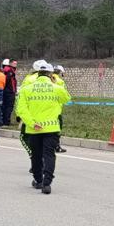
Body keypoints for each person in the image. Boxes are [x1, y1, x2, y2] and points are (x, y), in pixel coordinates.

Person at [16, 62, 71, 194]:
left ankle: (38, 181)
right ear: (50, 74)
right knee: (49, 155)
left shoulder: (26, 89)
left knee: (36, 155)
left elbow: (21, 110)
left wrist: (31, 123)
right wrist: (56, 83)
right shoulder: (56, 88)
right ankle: (47, 184)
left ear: (37, 74)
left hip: (33, 129)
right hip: (51, 128)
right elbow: (67, 99)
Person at [52, 65, 68, 153]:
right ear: (60, 72)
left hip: (46, 108)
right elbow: (64, 96)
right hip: (56, 109)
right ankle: (56, 146)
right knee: (57, 128)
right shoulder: (60, 82)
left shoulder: (49, 79)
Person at [1, 59, 18, 126]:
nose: (15, 65)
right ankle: (6, 121)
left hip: (4, 91)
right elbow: (8, 81)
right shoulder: (10, 72)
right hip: (10, 92)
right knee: (9, 107)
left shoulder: (4, 71)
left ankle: (3, 120)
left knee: (4, 106)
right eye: (14, 64)